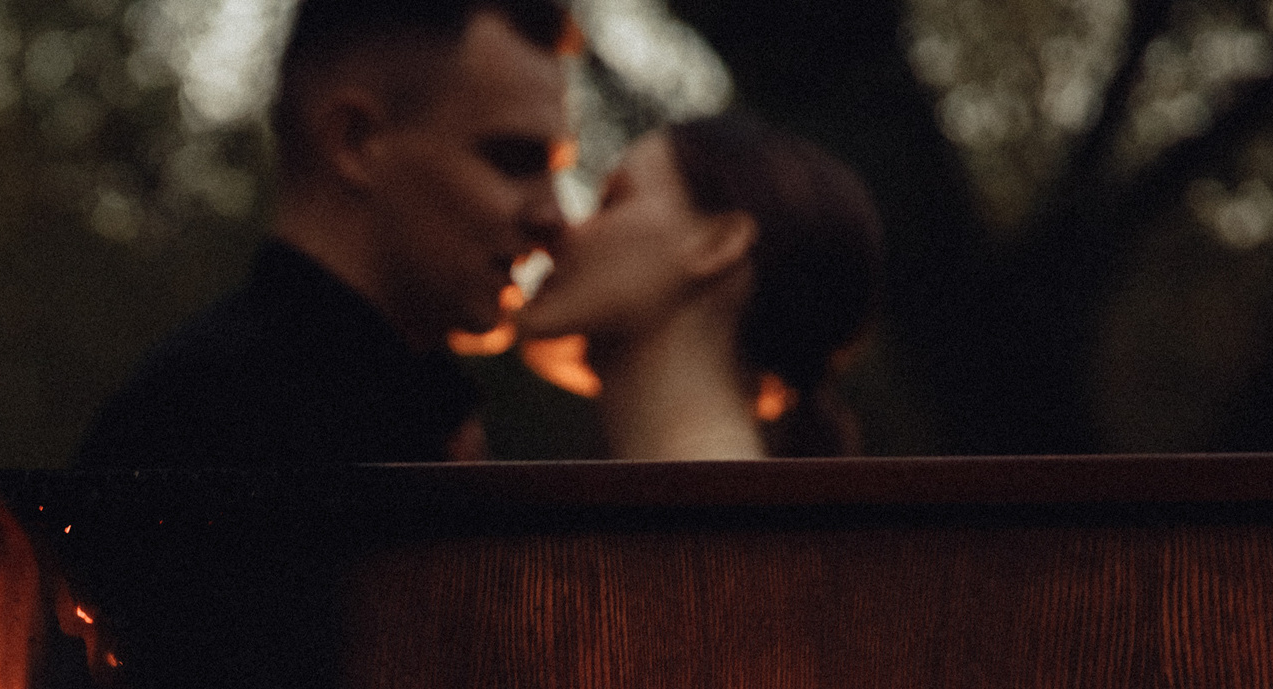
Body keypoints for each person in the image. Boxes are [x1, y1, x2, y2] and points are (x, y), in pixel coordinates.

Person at [75, 0, 573, 467]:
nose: (555, 217)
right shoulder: (215, 432)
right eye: (513, 159)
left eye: (555, 170)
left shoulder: (410, 412)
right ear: (354, 141)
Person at [515, 111, 883, 458]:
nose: (563, 230)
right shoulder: (752, 507)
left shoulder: (717, 515)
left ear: (717, 244)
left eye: (612, 200)